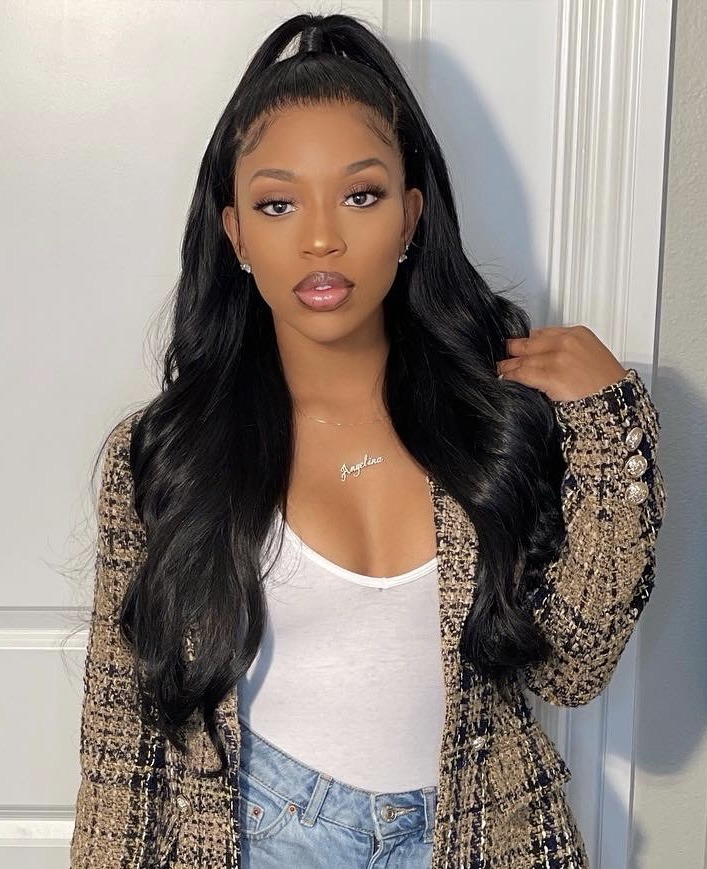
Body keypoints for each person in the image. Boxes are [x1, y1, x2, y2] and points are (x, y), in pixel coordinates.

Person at [70, 11, 666, 869]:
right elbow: (120, 748)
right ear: (236, 233)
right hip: (262, 837)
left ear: (411, 215)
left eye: (361, 195)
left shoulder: (496, 423)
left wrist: (614, 426)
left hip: (483, 838)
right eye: (278, 203)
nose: (321, 237)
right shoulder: (168, 452)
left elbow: (571, 668)